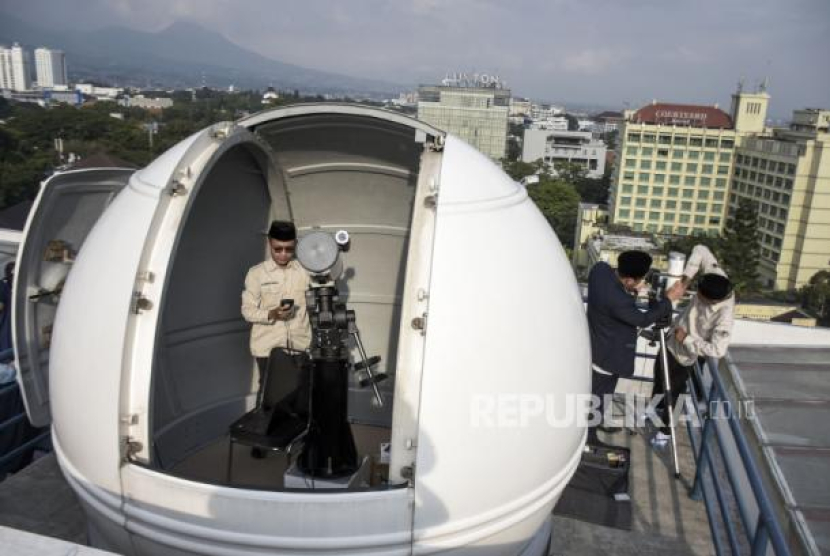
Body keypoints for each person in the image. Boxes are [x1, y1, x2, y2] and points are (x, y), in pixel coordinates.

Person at [586, 250, 682, 445]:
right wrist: (668, 300)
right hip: (607, 357)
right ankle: (589, 437)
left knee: (596, 396)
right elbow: (643, 319)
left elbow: (616, 298)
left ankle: (594, 424)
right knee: (599, 398)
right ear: (629, 280)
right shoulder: (619, 301)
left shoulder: (600, 270)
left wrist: (628, 290)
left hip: (596, 343)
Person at [650, 244, 735, 443]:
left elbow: (717, 350)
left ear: (714, 302)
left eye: (701, 299)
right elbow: (701, 249)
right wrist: (685, 281)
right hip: (672, 338)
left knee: (675, 393)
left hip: (687, 354)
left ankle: (665, 432)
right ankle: (655, 407)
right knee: (659, 375)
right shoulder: (716, 276)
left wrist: (686, 339)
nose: (697, 298)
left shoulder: (724, 316)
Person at [241, 221, 312, 412]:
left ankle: (294, 438)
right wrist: (271, 314)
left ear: (295, 244)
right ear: (269, 243)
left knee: (300, 397)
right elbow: (247, 311)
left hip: (299, 345)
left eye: (288, 249)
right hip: (267, 348)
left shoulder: (305, 271)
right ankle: (261, 439)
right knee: (268, 398)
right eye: (277, 249)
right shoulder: (256, 274)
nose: (283, 254)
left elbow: (327, 284)